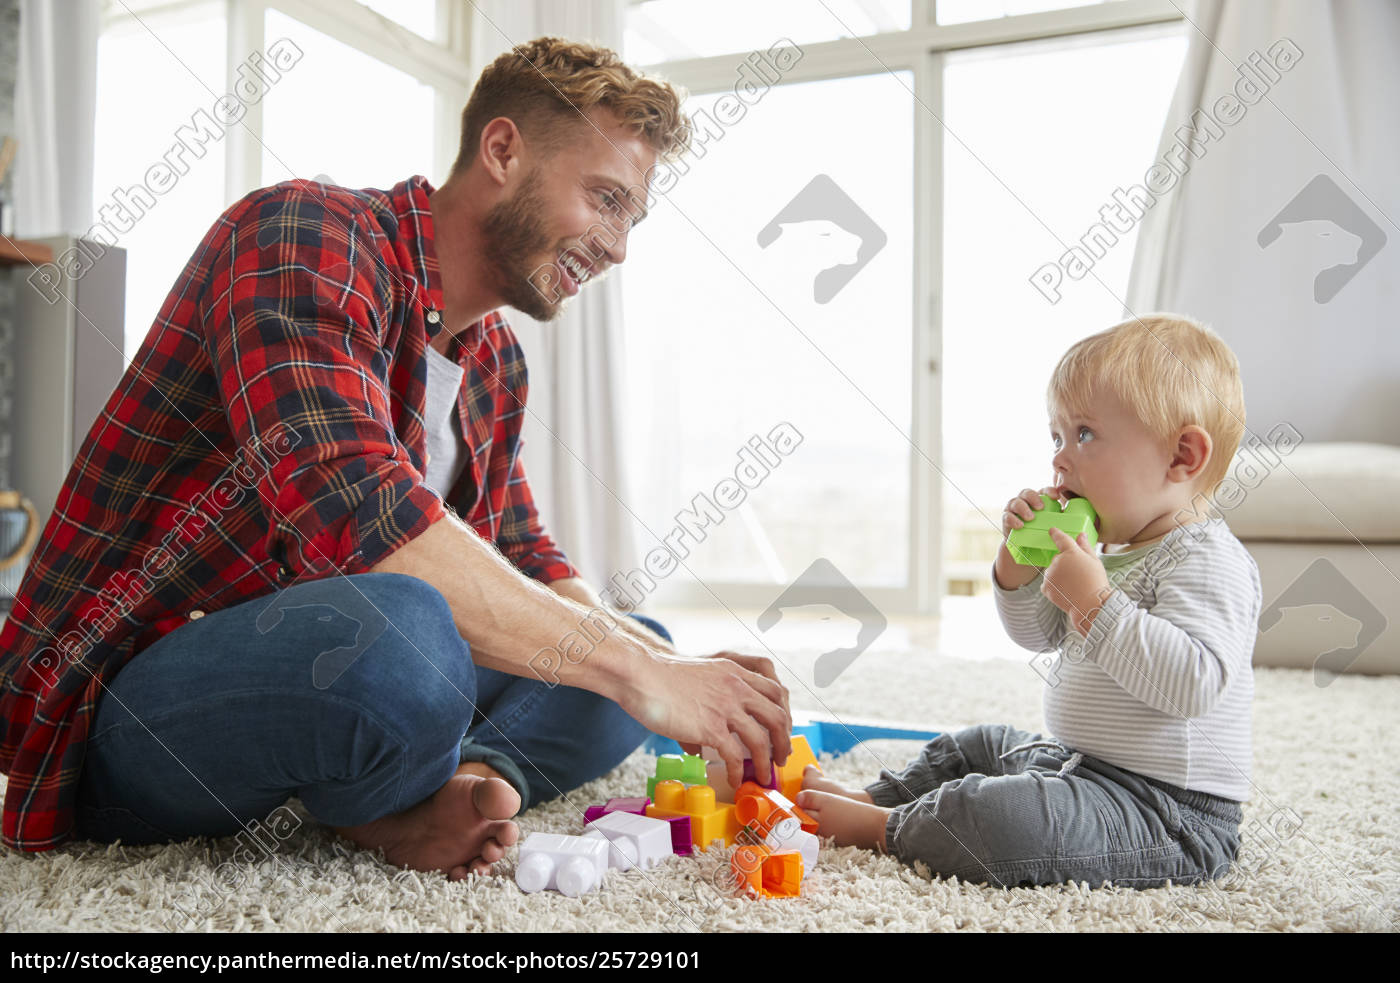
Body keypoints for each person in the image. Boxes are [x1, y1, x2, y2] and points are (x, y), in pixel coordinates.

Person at [0, 37, 791, 880]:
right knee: (410, 638)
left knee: (630, 642)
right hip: (139, 698)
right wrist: (641, 673)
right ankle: (394, 789)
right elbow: (360, 515)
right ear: (502, 150)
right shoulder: (305, 234)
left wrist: (665, 666)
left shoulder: (494, 361)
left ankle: (467, 787)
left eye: (631, 217)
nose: (618, 245)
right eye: (604, 199)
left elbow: (529, 556)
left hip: (336, 674)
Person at [797, 314, 1259, 888]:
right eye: (1057, 437)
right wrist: (1017, 570)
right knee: (978, 744)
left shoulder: (1206, 559)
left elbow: (1191, 683)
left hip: (1167, 813)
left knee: (996, 815)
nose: (1061, 459)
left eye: (1085, 434)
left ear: (1181, 456)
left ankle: (884, 827)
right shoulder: (1106, 549)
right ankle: (876, 795)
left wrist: (1095, 604)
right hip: (1077, 766)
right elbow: (1039, 634)